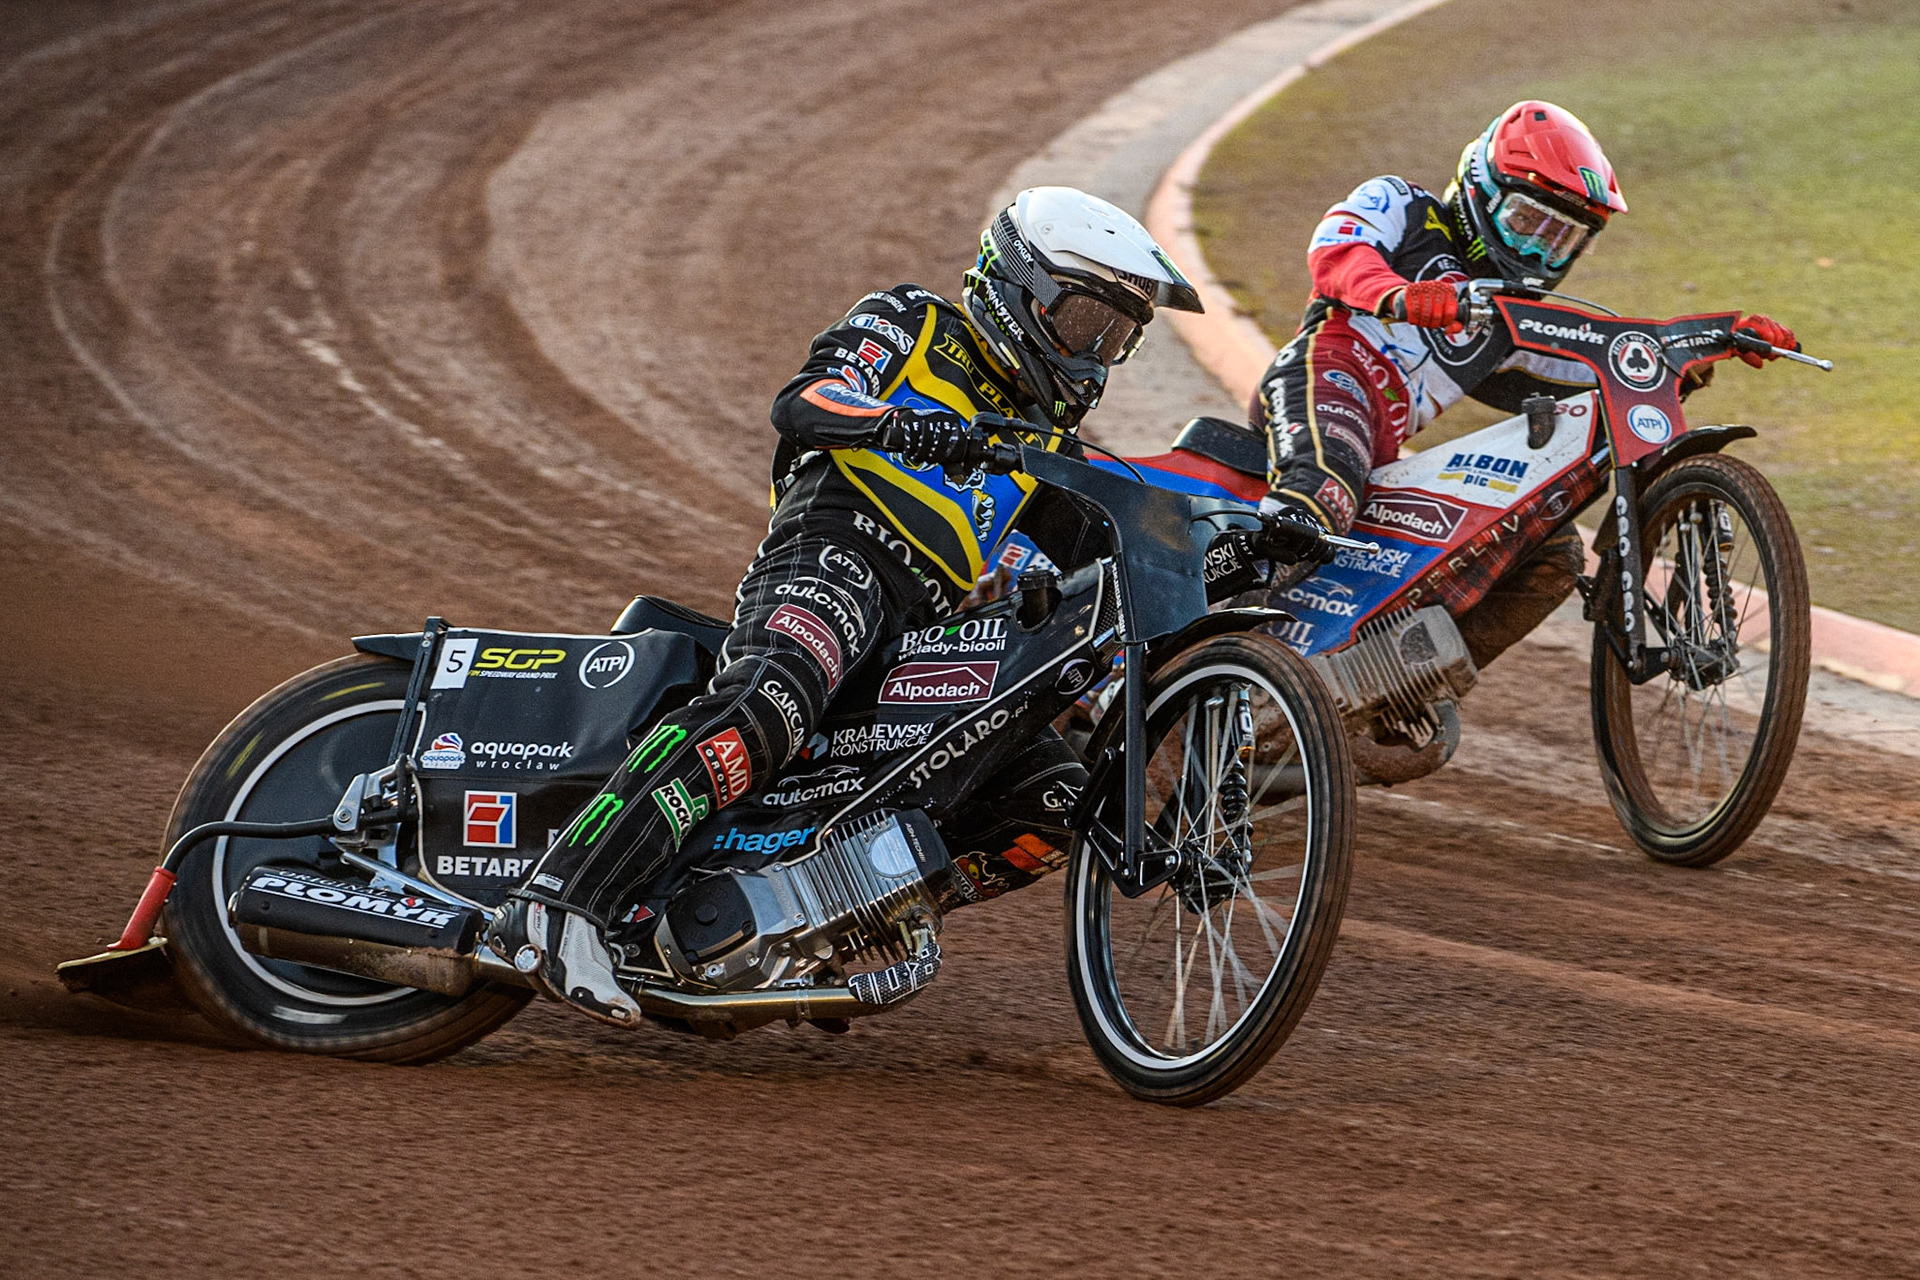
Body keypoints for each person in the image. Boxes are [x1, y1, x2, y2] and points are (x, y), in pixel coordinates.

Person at [488, 186, 1205, 1024]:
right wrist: (900, 425)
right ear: (1021, 288)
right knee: (769, 703)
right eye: (1087, 324)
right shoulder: (913, 321)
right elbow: (805, 401)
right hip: (836, 552)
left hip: (920, 630)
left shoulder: (1040, 439)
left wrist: (1236, 542)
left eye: (1117, 339)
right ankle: (554, 904)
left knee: (1053, 798)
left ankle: (832, 918)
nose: (1095, 356)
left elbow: (1113, 539)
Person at [1253, 100, 1798, 665]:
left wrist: (1704, 344)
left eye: (1559, 240)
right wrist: (1400, 295)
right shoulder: (1400, 202)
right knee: (1326, 490)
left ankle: (1400, 686)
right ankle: (1220, 601)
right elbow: (1337, 254)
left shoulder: (1513, 322)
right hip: (1323, 375)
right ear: (1480, 190)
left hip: (1384, 450)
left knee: (1551, 554)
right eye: (1526, 223)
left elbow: (1606, 359)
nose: (1536, 251)